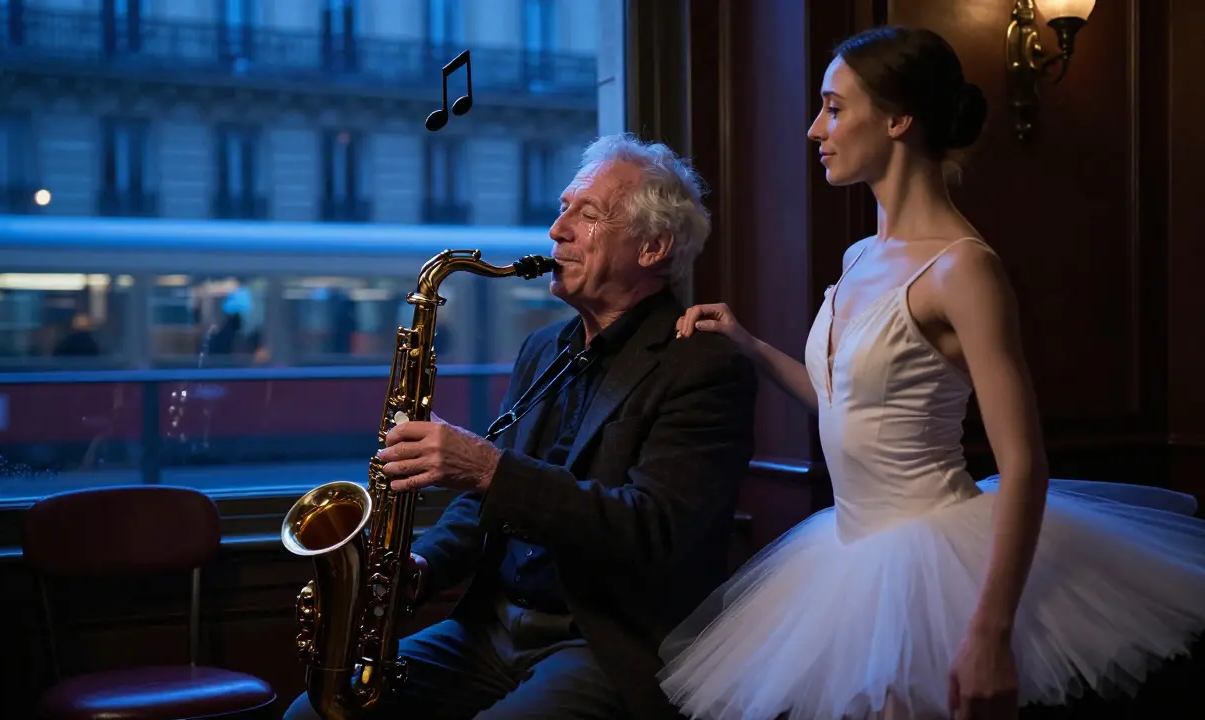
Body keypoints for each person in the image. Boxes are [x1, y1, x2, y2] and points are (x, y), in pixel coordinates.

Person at [656, 25, 1205, 720]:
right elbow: (845, 404)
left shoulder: (963, 268)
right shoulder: (859, 256)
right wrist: (751, 346)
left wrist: (988, 633)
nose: (812, 127)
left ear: (897, 118)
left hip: (934, 561)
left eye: (833, 106)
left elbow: (1025, 463)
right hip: (846, 556)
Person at [283, 134, 758, 720]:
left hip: (602, 642)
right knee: (311, 715)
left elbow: (652, 530)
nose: (556, 230)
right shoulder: (543, 349)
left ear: (653, 246)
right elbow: (485, 505)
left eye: (587, 215)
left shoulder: (707, 366)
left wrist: (483, 466)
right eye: (561, 209)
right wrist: (423, 568)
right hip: (491, 629)